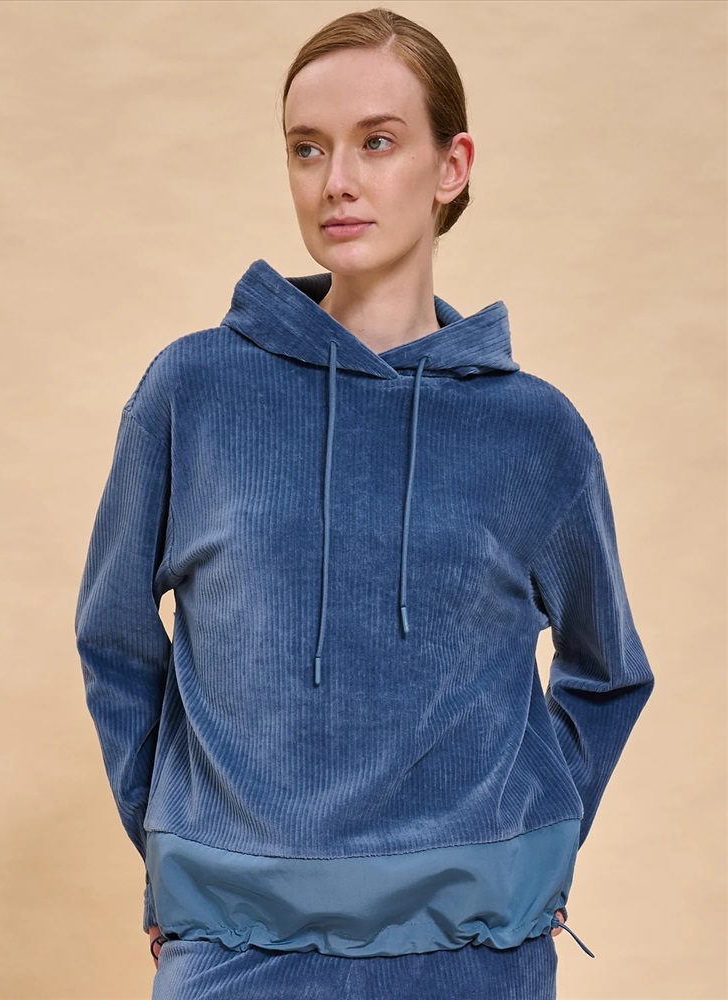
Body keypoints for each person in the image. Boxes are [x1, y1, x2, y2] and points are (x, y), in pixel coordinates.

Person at [74, 7, 655, 999]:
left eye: (376, 142)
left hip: (476, 962)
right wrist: (175, 851)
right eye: (308, 148)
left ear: (451, 165)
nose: (335, 180)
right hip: (236, 955)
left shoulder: (536, 431)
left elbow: (609, 672)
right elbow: (115, 640)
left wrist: (529, 846)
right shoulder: (193, 393)